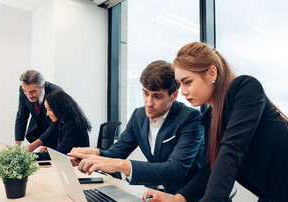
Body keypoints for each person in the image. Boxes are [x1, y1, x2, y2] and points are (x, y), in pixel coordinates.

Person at [142, 42, 288, 202]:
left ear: (212, 73)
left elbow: (231, 152)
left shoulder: (245, 88)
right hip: (273, 195)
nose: (182, 91)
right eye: (180, 84)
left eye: (187, 82)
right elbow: (209, 170)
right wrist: (178, 200)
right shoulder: (211, 118)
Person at [68, 60, 206, 194]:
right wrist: (95, 153)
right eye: (146, 93)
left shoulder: (190, 118)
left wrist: (120, 165)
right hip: (150, 192)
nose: (148, 103)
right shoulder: (138, 115)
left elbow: (175, 171)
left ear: (174, 96)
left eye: (157, 96)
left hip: (183, 196)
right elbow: (116, 153)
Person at [15, 70, 63, 152]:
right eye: (25, 91)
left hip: (58, 135)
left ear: (43, 86)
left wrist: (34, 145)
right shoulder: (24, 89)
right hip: (39, 131)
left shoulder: (56, 93)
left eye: (33, 91)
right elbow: (21, 116)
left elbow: (56, 124)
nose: (29, 95)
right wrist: (17, 147)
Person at [35, 90, 91, 160]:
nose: (47, 113)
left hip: (77, 167)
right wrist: (48, 151)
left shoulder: (73, 124)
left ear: (59, 107)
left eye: (50, 109)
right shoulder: (64, 122)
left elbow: (60, 154)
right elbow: (61, 150)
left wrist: (32, 156)